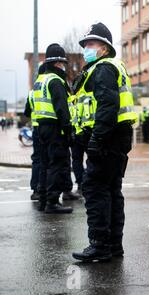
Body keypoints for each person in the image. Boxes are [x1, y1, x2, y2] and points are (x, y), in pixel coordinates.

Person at [72, 23, 138, 262]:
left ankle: (100, 244)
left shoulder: (103, 68)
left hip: (108, 137)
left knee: (95, 188)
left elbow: (108, 105)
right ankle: (112, 245)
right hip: (116, 136)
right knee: (111, 190)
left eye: (91, 44)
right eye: (85, 45)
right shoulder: (107, 68)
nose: (86, 49)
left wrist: (97, 139)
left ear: (104, 48)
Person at [33, 44, 74, 214]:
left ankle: (43, 199)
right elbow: (62, 109)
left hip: (41, 127)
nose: (63, 66)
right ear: (57, 63)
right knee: (56, 164)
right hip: (55, 129)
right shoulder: (56, 81)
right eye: (62, 63)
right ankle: (52, 202)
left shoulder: (40, 80)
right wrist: (68, 130)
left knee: (44, 164)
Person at [24, 65, 46, 200]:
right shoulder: (51, 84)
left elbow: (27, 112)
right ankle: (46, 189)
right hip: (49, 128)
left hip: (36, 129)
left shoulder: (32, 92)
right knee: (48, 160)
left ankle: (35, 189)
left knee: (37, 159)